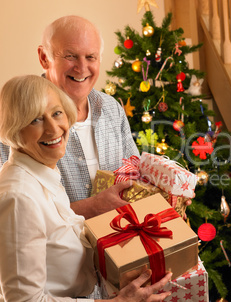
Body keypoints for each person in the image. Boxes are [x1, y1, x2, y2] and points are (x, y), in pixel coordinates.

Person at [0, 75, 172, 301]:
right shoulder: (18, 197)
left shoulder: (44, 173)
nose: (54, 129)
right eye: (35, 120)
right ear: (14, 130)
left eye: (56, 113)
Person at [0, 15, 140, 219]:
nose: (81, 68)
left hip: (119, 245)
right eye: (70, 56)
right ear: (44, 58)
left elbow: (135, 172)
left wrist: (167, 193)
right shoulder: (17, 117)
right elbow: (7, 212)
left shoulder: (112, 108)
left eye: (90, 57)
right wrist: (92, 207)